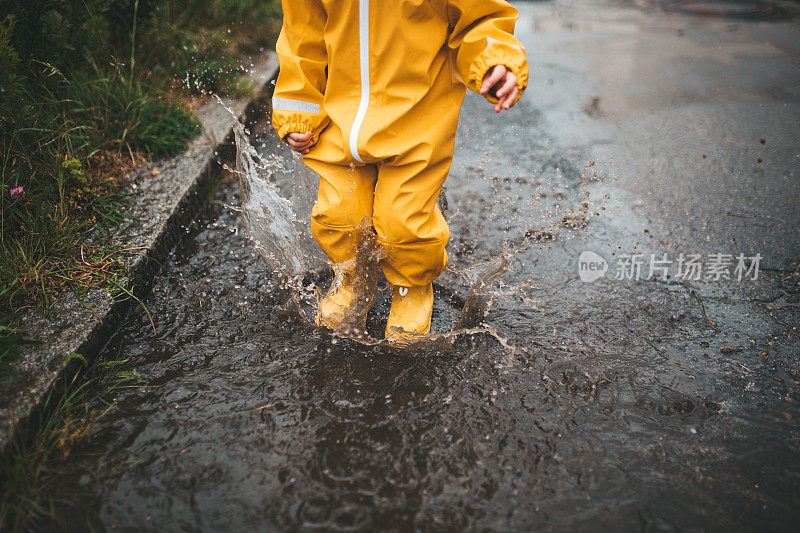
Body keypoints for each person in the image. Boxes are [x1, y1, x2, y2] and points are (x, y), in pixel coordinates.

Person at [271, 0, 528, 343]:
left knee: (402, 220)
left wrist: (495, 59)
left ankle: (411, 288)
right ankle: (351, 279)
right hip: (340, 120)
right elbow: (303, 35)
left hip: (418, 119)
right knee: (338, 215)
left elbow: (481, 18)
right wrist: (298, 109)